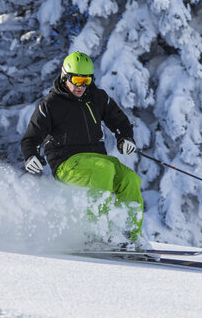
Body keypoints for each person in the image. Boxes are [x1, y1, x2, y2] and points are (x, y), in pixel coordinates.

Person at [21, 52, 146, 249]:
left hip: (97, 160)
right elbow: (31, 138)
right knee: (104, 169)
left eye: (86, 80)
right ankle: (97, 231)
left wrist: (124, 137)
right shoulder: (50, 104)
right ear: (65, 77)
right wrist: (31, 155)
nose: (81, 85)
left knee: (130, 179)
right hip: (67, 163)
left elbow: (120, 121)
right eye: (77, 79)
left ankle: (130, 234)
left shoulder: (98, 98)